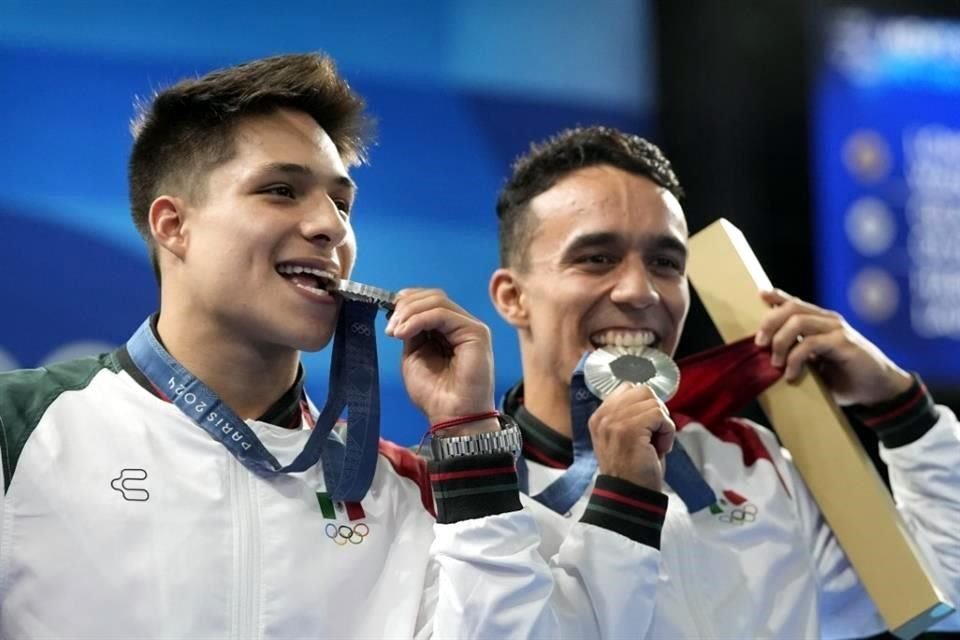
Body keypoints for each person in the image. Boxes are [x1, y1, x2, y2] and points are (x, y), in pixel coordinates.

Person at [0, 56, 658, 639]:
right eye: (280, 190)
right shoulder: (19, 430)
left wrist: (468, 435)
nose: (328, 227)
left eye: (341, 203)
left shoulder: (405, 489)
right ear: (174, 225)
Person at [488, 125, 960, 638]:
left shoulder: (749, 459)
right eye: (597, 258)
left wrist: (902, 408)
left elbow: (941, 595)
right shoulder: (469, 503)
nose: (640, 291)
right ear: (514, 297)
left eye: (665, 263)